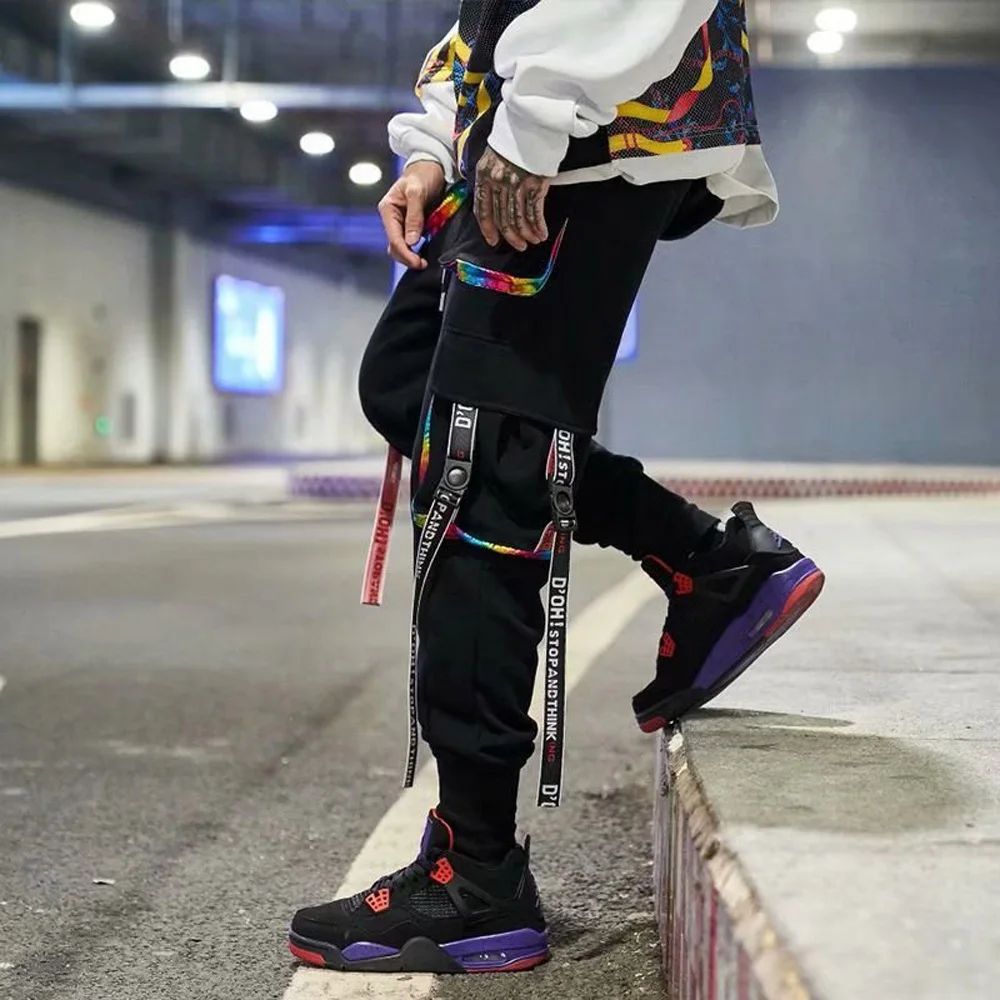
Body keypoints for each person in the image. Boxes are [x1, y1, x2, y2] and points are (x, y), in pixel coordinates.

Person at [289, 0, 824, 974]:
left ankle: (475, 869)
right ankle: (706, 558)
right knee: (405, 382)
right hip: (536, 123)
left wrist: (535, 119)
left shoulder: (551, 115)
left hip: (587, 128)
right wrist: (434, 149)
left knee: (484, 461)